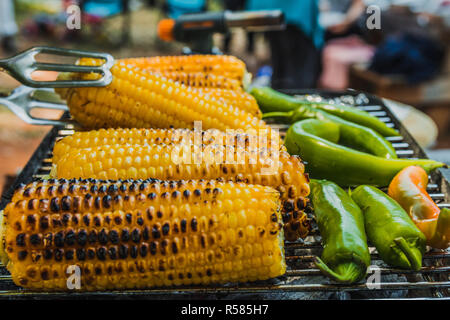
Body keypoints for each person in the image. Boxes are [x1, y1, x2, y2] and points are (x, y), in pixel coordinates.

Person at [246, 0, 324, 89]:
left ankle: (283, 88)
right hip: (293, 11)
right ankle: (290, 89)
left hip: (275, 9)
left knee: (282, 60)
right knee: (293, 65)